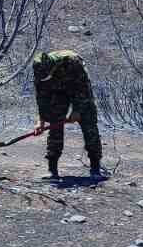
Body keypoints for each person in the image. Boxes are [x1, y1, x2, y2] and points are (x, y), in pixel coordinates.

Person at [32, 49, 103, 179]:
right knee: (54, 123)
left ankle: (95, 167)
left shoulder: (72, 62)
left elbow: (84, 91)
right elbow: (41, 99)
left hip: (79, 89)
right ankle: (52, 169)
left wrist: (77, 111)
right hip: (58, 92)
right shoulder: (39, 71)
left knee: (89, 123)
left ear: (53, 67)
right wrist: (40, 120)